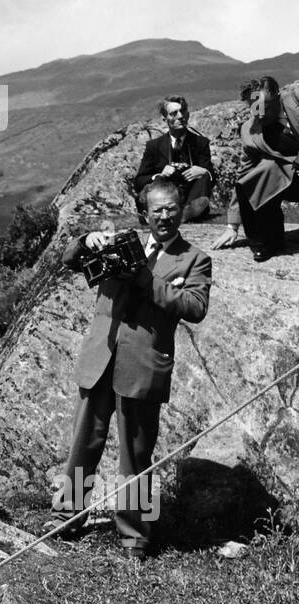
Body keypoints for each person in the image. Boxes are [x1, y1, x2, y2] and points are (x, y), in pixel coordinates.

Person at [53, 179, 212, 562]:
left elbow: (194, 307)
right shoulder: (123, 242)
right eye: (156, 209)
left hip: (142, 366)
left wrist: (147, 279)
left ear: (182, 210)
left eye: (171, 209)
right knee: (83, 443)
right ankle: (65, 516)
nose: (164, 216)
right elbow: (70, 259)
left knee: (138, 455)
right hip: (101, 357)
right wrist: (86, 239)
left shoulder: (195, 259)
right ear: (145, 213)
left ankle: (137, 536)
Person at [215, 77, 299, 263]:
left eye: (266, 106)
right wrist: (232, 225)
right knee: (265, 170)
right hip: (291, 180)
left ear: (278, 96)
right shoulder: (249, 131)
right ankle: (269, 241)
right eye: (255, 107)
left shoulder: (295, 100)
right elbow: (245, 175)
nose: (260, 114)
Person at [133, 97, 214, 222]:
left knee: (205, 176)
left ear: (188, 114)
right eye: (174, 113)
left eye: (183, 111)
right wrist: (159, 175)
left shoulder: (201, 143)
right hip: (165, 195)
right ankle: (173, 213)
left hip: (191, 195)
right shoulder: (154, 146)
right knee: (151, 187)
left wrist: (203, 171)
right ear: (164, 119)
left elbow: (211, 177)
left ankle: (186, 212)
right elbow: (138, 181)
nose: (180, 116)